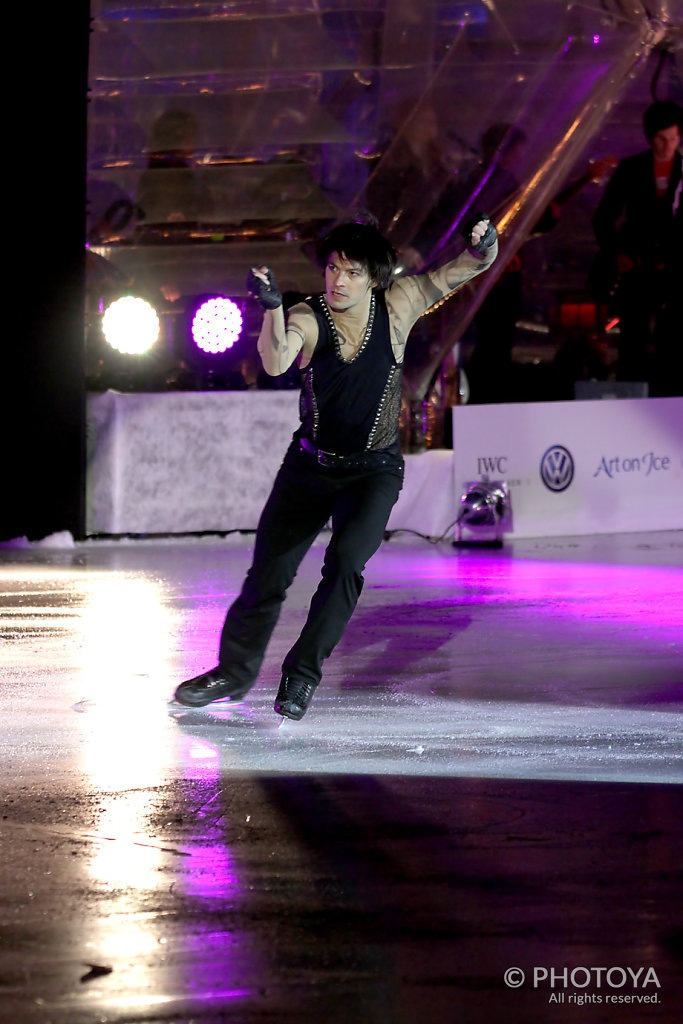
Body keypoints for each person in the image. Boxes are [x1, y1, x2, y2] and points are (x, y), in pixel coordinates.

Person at [173, 213, 498, 720]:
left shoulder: (397, 303)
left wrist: (483, 248)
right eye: (332, 270)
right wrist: (274, 310)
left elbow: (455, 273)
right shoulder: (309, 315)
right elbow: (277, 361)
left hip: (374, 472)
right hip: (309, 467)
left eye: (350, 272)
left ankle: (301, 675)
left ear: (373, 277)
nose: (338, 281)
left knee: (346, 564)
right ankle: (232, 673)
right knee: (268, 575)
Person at [591, 100, 682, 392]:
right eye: (661, 139)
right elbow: (603, 217)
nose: (667, 145)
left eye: (673, 139)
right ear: (650, 137)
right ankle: (633, 403)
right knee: (633, 341)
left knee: (673, 342)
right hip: (637, 269)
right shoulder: (632, 168)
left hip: (674, 272)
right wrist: (617, 254)